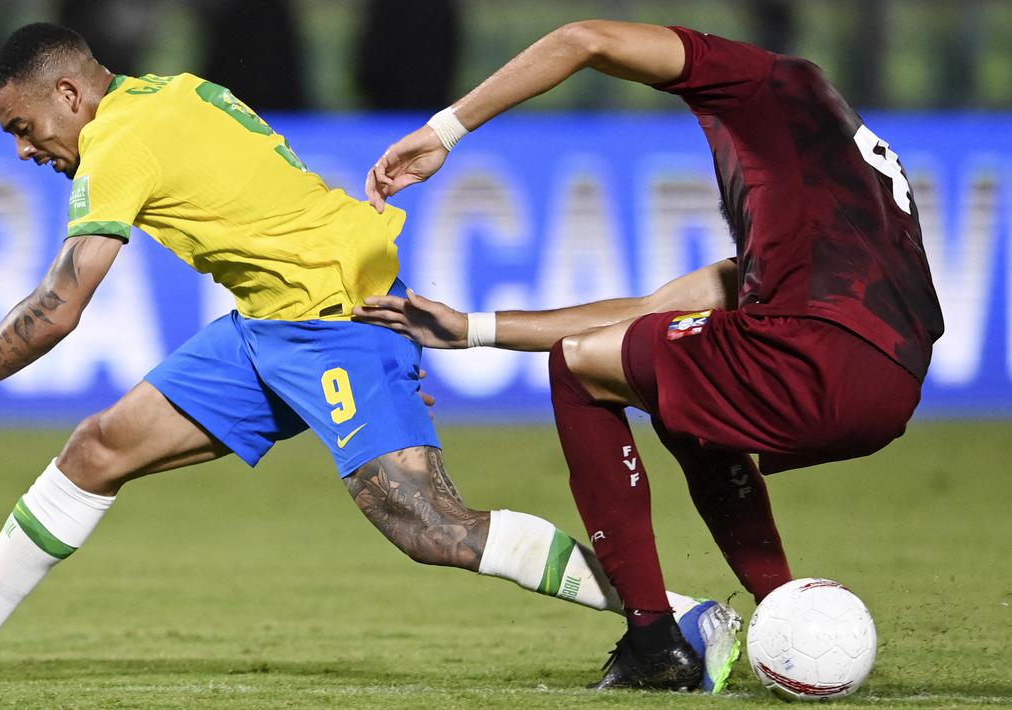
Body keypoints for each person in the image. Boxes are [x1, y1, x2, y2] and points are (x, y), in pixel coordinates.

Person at [0, 23, 740, 693]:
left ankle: (677, 617)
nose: (28, 150)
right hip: (268, 324)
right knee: (97, 450)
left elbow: (60, 307)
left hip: (336, 322)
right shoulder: (169, 92)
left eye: (21, 127)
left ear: (69, 95)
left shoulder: (119, 141)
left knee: (429, 526)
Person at [360, 19, 944, 690]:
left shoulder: (766, 83)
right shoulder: (833, 184)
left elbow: (583, 40)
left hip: (812, 351)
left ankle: (649, 641)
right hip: (886, 386)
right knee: (672, 381)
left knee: (578, 368)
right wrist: (474, 328)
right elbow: (654, 315)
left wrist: (443, 132)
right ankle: (785, 611)